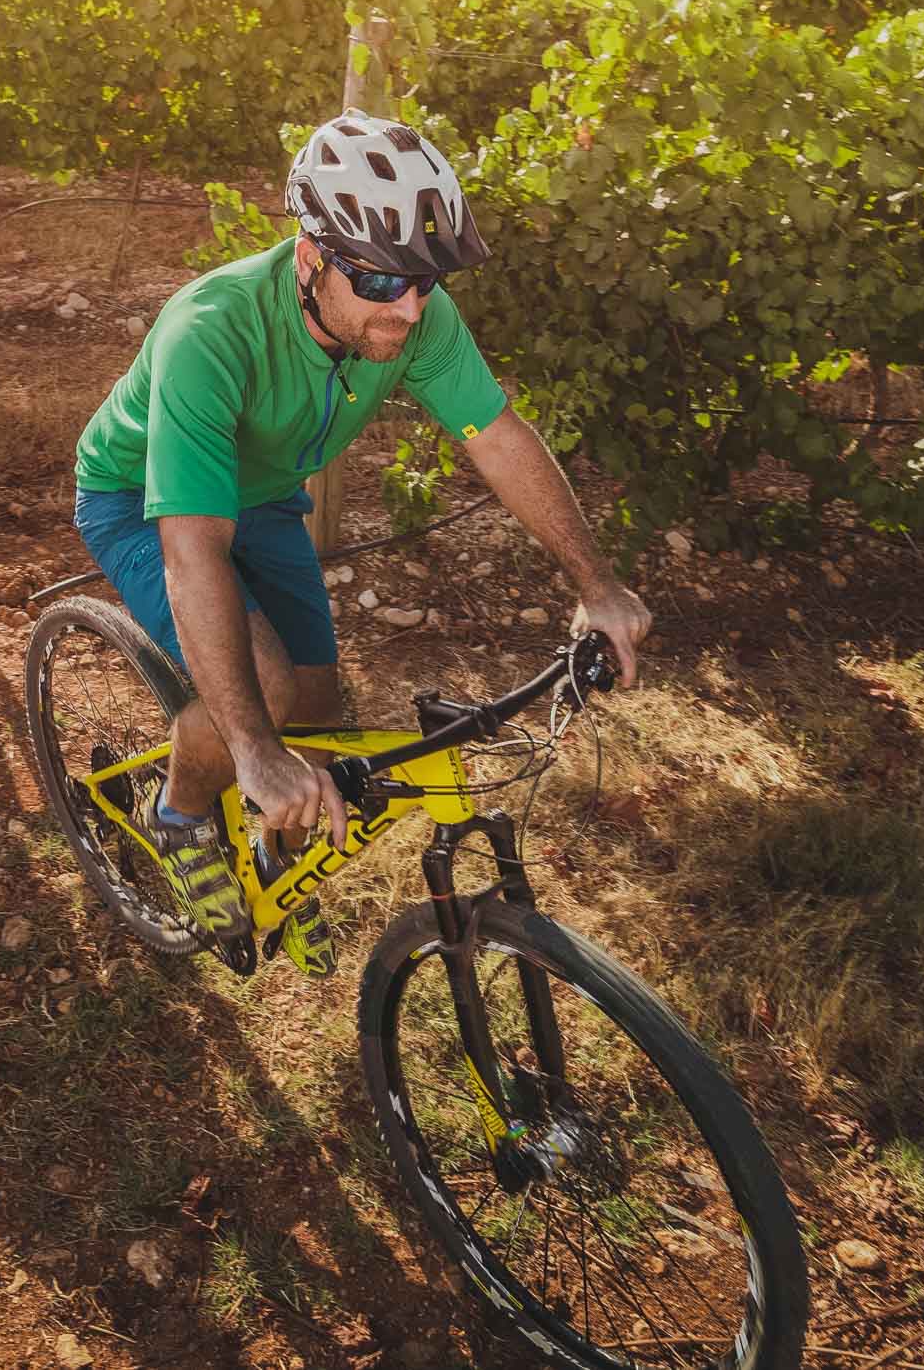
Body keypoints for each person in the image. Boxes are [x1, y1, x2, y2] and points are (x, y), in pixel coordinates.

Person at [70, 111, 653, 974]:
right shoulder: (211, 330)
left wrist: (597, 582)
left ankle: (274, 854)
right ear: (311, 261)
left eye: (427, 280)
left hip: (262, 492)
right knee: (261, 691)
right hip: (138, 494)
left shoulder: (407, 309)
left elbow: (493, 433)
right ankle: (180, 814)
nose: (412, 308)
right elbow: (193, 547)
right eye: (384, 283)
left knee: (317, 699)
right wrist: (253, 751)